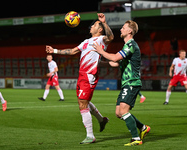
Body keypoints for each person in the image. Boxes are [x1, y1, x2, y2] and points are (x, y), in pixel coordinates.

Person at [46, 13, 114, 144]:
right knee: (83, 102)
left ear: (99, 29)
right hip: (81, 75)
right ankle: (102, 120)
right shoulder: (86, 41)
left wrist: (104, 22)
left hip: (89, 75)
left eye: (94, 25)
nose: (91, 26)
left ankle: (90, 136)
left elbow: (111, 37)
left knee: (82, 104)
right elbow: (72, 51)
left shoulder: (101, 40)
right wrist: (54, 50)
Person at [93, 20, 150, 146]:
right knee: (119, 113)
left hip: (132, 82)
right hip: (127, 83)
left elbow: (114, 58)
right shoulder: (127, 46)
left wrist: (100, 51)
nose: (121, 29)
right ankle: (143, 128)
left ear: (130, 31)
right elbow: (115, 62)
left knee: (124, 111)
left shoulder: (131, 45)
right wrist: (100, 62)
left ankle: (136, 139)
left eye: (123, 28)